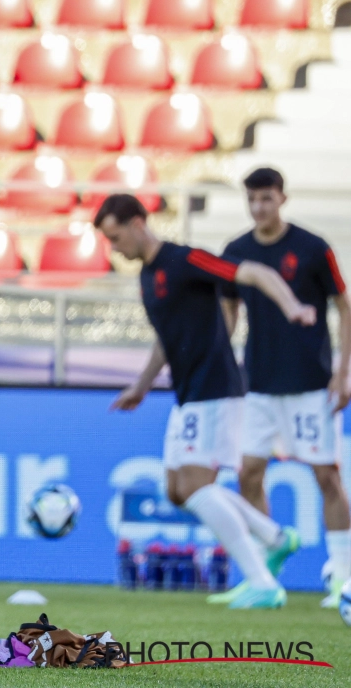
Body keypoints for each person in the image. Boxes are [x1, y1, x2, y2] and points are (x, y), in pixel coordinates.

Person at [99, 193, 315, 611]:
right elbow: (167, 337)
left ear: (138, 223)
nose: (115, 248)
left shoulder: (184, 260)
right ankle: (274, 537)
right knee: (178, 491)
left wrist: (290, 305)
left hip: (216, 388)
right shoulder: (148, 276)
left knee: (197, 486)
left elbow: (251, 271)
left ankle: (262, 582)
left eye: (115, 236)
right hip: (189, 393)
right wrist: (141, 386)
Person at [220, 167, 351, 609]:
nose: (259, 207)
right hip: (258, 385)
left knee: (326, 477)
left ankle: (342, 578)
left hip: (310, 385)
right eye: (252, 199)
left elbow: (344, 306)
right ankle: (265, 571)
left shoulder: (313, 248)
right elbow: (229, 311)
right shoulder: (237, 251)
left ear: (282, 198)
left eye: (266, 198)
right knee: (248, 474)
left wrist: (343, 372)